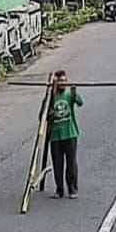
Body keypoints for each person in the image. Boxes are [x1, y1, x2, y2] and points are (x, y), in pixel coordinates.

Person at [48, 70, 83, 199]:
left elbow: (80, 102)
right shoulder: (51, 98)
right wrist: (49, 112)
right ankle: (59, 189)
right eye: (60, 81)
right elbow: (43, 116)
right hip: (55, 136)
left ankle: (72, 189)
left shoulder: (69, 94)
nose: (63, 83)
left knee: (71, 163)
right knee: (57, 164)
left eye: (64, 80)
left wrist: (75, 94)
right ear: (55, 83)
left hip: (70, 133)